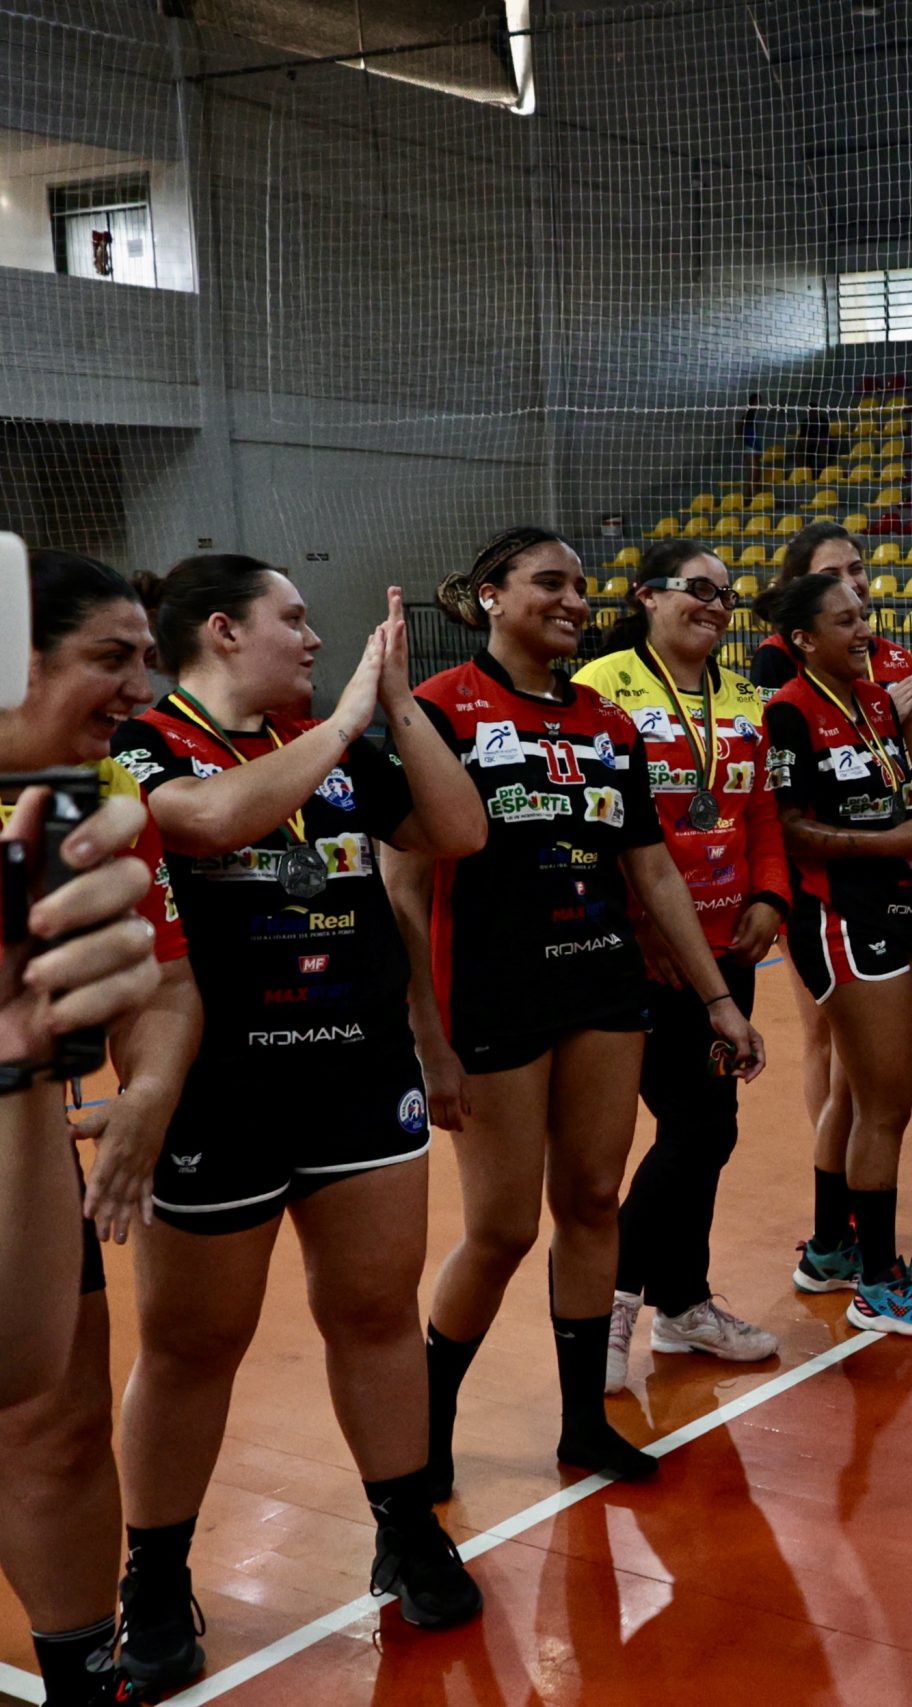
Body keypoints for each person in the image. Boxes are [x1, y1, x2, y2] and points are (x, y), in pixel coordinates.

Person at [109, 562, 489, 1689]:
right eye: (295, 619)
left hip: (358, 1074)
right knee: (193, 1346)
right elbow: (208, 821)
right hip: (218, 1088)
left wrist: (397, 708)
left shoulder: (335, 746)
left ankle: (406, 1528)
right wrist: (341, 726)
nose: (317, 639)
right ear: (224, 631)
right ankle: (154, 1574)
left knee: (374, 1312)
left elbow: (458, 829)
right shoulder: (143, 743)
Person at [393, 527, 764, 1498]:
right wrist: (426, 1037)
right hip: (493, 997)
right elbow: (403, 889)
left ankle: (582, 1424)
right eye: (548, 583)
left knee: (594, 1201)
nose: (572, 600)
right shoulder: (440, 710)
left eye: (581, 586)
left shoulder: (606, 723)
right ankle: (426, 1428)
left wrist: (718, 999)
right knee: (502, 1228)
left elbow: (652, 870)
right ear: (489, 595)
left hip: (602, 987)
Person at [0, 550, 206, 1707]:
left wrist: (145, 1092)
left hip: (24, 1147)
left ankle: (84, 1679)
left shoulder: (105, 796)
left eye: (148, 657)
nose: (141, 688)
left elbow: (168, 984)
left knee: (54, 1415)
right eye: (111, 657)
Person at [576, 544, 790, 1389]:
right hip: (647, 956)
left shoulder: (741, 696)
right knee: (697, 1125)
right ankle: (614, 1300)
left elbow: (760, 808)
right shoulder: (601, 687)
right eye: (699, 589)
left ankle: (684, 1305)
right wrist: (643, 925)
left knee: (709, 1123)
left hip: (728, 948)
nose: (717, 605)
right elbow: (591, 825)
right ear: (648, 596)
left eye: (727, 595)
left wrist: (771, 895)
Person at [763, 572, 912, 1329]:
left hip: (900, 899)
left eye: (865, 617)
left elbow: (903, 786)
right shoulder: (787, 712)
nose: (864, 631)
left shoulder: (877, 703)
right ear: (803, 639)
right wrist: (891, 842)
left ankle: (831, 1250)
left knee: (857, 1095)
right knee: (885, 1103)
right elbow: (788, 826)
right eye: (845, 621)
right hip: (842, 919)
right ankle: (881, 1283)